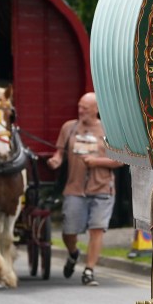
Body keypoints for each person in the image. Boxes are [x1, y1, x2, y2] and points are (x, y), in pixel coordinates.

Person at [46, 92, 123, 286]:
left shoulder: (109, 129)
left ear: (97, 109)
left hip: (102, 187)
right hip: (74, 188)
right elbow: (59, 153)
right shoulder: (69, 128)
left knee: (97, 229)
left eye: (85, 109)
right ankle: (73, 254)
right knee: (68, 231)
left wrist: (96, 161)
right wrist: (55, 161)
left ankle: (89, 270)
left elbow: (121, 160)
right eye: (80, 107)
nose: (81, 111)